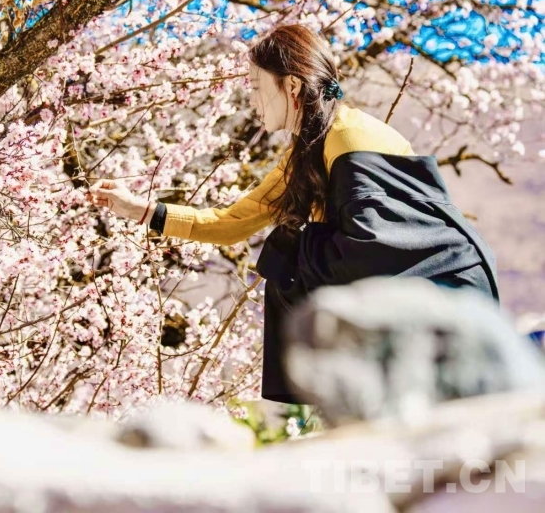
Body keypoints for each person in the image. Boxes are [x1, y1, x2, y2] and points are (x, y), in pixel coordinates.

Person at [88, 24, 499, 404]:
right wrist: (142, 210)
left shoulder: (350, 138)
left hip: (445, 287)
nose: (251, 100)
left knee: (291, 257)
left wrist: (301, 249)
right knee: (289, 264)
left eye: (255, 87)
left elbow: (377, 245)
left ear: (292, 85)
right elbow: (232, 224)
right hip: (408, 294)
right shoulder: (307, 153)